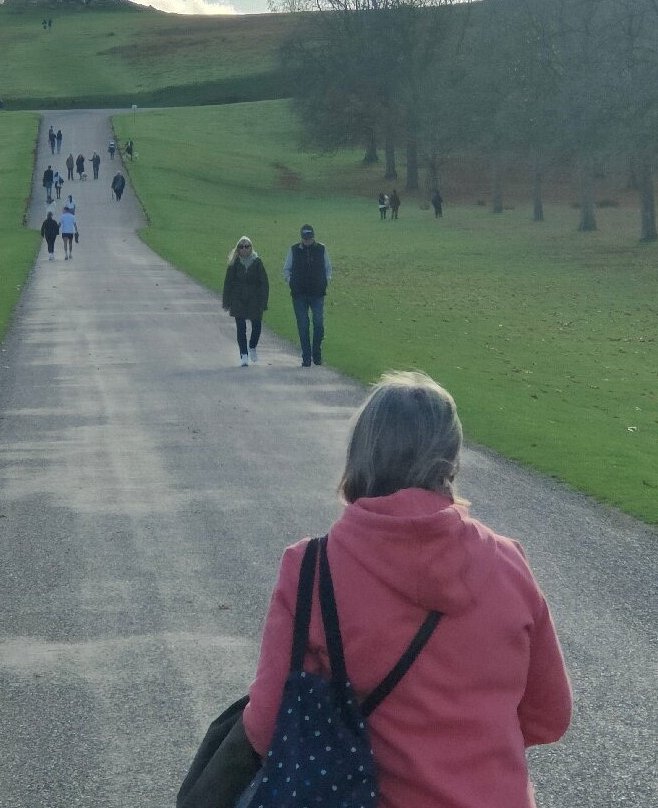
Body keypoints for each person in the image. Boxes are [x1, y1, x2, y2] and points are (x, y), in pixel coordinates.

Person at [242, 371, 573, 808]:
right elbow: (549, 715)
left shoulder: (311, 569)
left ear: (359, 457)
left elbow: (267, 727)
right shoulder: (508, 562)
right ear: (451, 462)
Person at [282, 224, 331, 367]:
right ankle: (306, 357)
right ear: (301, 238)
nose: (307, 241)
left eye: (309, 238)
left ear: (313, 237)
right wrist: (291, 282)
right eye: (304, 238)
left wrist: (325, 282)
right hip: (299, 295)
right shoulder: (294, 250)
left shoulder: (321, 249)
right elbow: (286, 269)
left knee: (319, 324)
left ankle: (317, 353)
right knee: (303, 326)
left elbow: (328, 268)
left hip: (317, 294)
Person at [222, 235, 269, 367]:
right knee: (241, 328)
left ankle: (252, 346)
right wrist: (226, 301)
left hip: (254, 299)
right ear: (238, 249)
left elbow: (264, 283)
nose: (244, 249)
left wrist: (263, 301)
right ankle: (243, 354)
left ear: (251, 248)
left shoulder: (257, 262)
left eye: (247, 246)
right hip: (238, 299)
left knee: (257, 326)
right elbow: (228, 283)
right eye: (241, 247)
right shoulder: (234, 264)